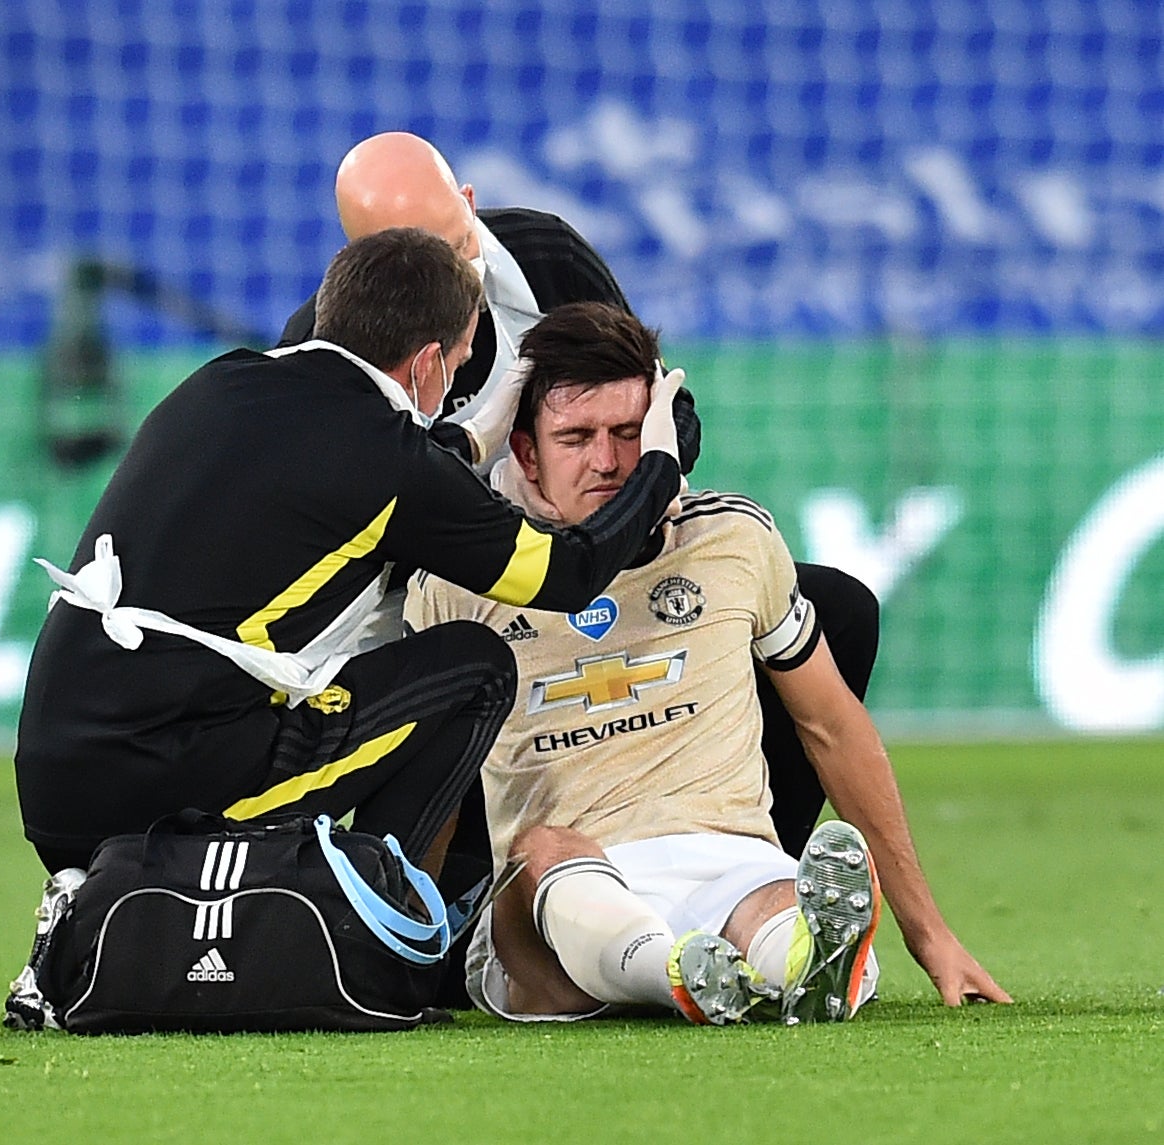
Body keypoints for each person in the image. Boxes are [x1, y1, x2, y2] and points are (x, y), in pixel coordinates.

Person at [15, 229, 686, 879]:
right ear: (428, 363)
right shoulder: (388, 460)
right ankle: (363, 922)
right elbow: (567, 572)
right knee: (475, 670)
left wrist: (471, 440)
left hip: (57, 785)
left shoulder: (224, 384)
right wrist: (656, 461)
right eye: (459, 358)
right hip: (158, 800)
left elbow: (348, 481)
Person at [281, 130, 879, 858]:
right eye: (415, 264)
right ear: (362, 266)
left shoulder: (543, 255)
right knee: (454, 678)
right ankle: (438, 924)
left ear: (469, 204)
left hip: (605, 557)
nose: (453, 280)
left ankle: (747, 869)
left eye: (455, 243)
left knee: (839, 612)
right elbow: (358, 521)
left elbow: (663, 407)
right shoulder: (329, 342)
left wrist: (627, 496)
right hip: (461, 600)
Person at [406, 302, 1010, 1022]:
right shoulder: (459, 580)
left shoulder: (731, 539)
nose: (607, 460)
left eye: (629, 434)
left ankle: (798, 964)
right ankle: (683, 973)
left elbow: (833, 728)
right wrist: (405, 961)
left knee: (780, 902)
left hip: (728, 857)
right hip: (560, 891)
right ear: (526, 453)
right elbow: (432, 788)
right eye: (576, 437)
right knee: (543, 853)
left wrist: (929, 930)